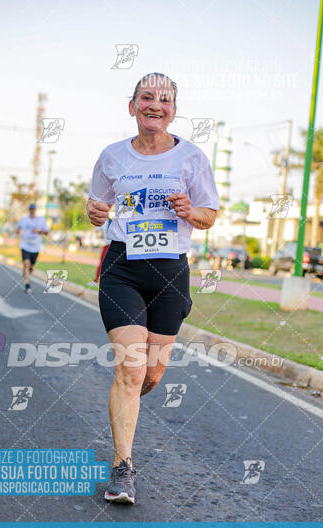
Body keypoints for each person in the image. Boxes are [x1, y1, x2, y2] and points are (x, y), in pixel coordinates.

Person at [86, 72, 219, 504]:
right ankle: (122, 467)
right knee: (130, 369)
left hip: (170, 272)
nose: (155, 105)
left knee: (151, 372)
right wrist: (93, 212)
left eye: (164, 99)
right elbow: (97, 208)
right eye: (147, 97)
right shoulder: (111, 156)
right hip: (123, 266)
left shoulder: (192, 158)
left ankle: (126, 403)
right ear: (133, 106)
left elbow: (209, 215)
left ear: (174, 111)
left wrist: (190, 210)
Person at [16, 203, 50, 293]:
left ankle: (26, 271)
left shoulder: (41, 220)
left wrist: (38, 231)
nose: (32, 210)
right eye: (30, 209)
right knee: (26, 264)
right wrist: (19, 233)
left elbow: (47, 232)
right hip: (25, 246)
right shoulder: (24, 219)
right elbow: (17, 228)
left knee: (31, 267)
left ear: (35, 210)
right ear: (29, 210)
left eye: (33, 209)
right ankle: (27, 286)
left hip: (35, 248)